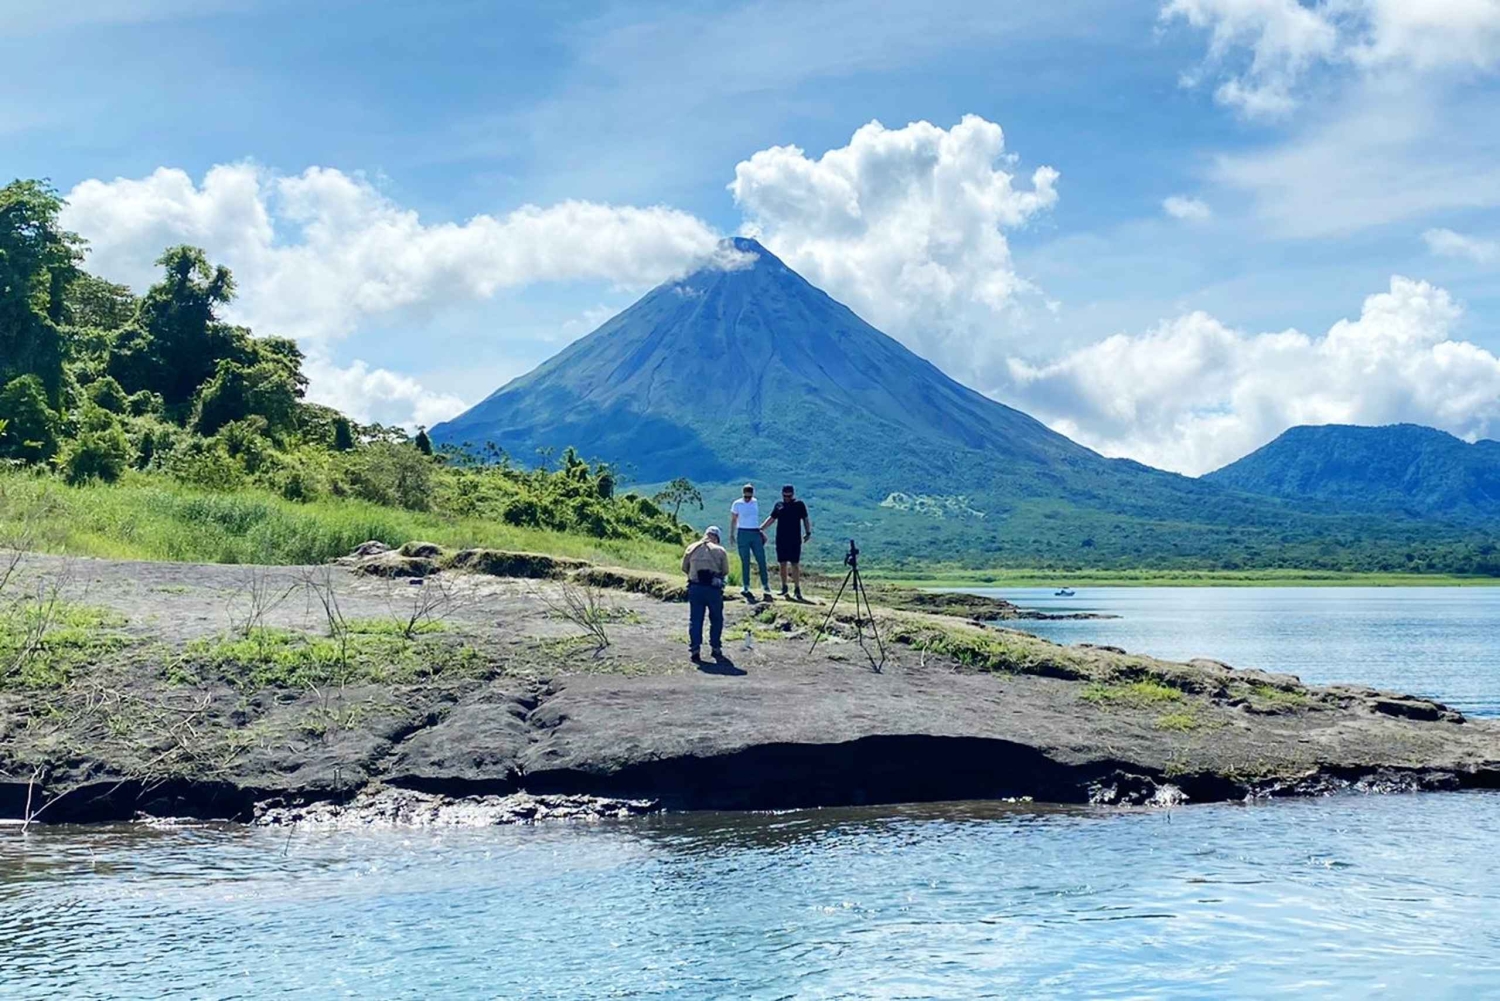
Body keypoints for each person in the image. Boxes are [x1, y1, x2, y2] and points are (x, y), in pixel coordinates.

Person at [681, 526, 729, 662]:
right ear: (717, 538)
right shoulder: (720, 550)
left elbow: (684, 567)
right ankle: (715, 647)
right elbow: (725, 570)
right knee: (716, 619)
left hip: (695, 587)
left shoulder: (691, 548)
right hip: (713, 589)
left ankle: (695, 649)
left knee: (695, 619)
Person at [760, 483, 812, 600]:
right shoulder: (779, 505)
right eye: (785, 496)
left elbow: (805, 519)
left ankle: (797, 588)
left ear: (793, 494)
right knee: (782, 563)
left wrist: (808, 532)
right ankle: (784, 587)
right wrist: (760, 528)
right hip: (781, 539)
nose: (787, 498)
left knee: (795, 564)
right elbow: (771, 518)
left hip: (794, 539)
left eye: (789, 496)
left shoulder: (799, 505)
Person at [729, 483, 773, 602]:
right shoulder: (737, 504)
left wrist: (760, 532)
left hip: (754, 532)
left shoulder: (755, 502)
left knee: (761, 559)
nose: (748, 499)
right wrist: (732, 534)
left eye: (749, 496)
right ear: (743, 494)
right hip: (742, 532)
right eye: (746, 496)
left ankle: (765, 585)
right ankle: (746, 586)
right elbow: (733, 519)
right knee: (745, 561)